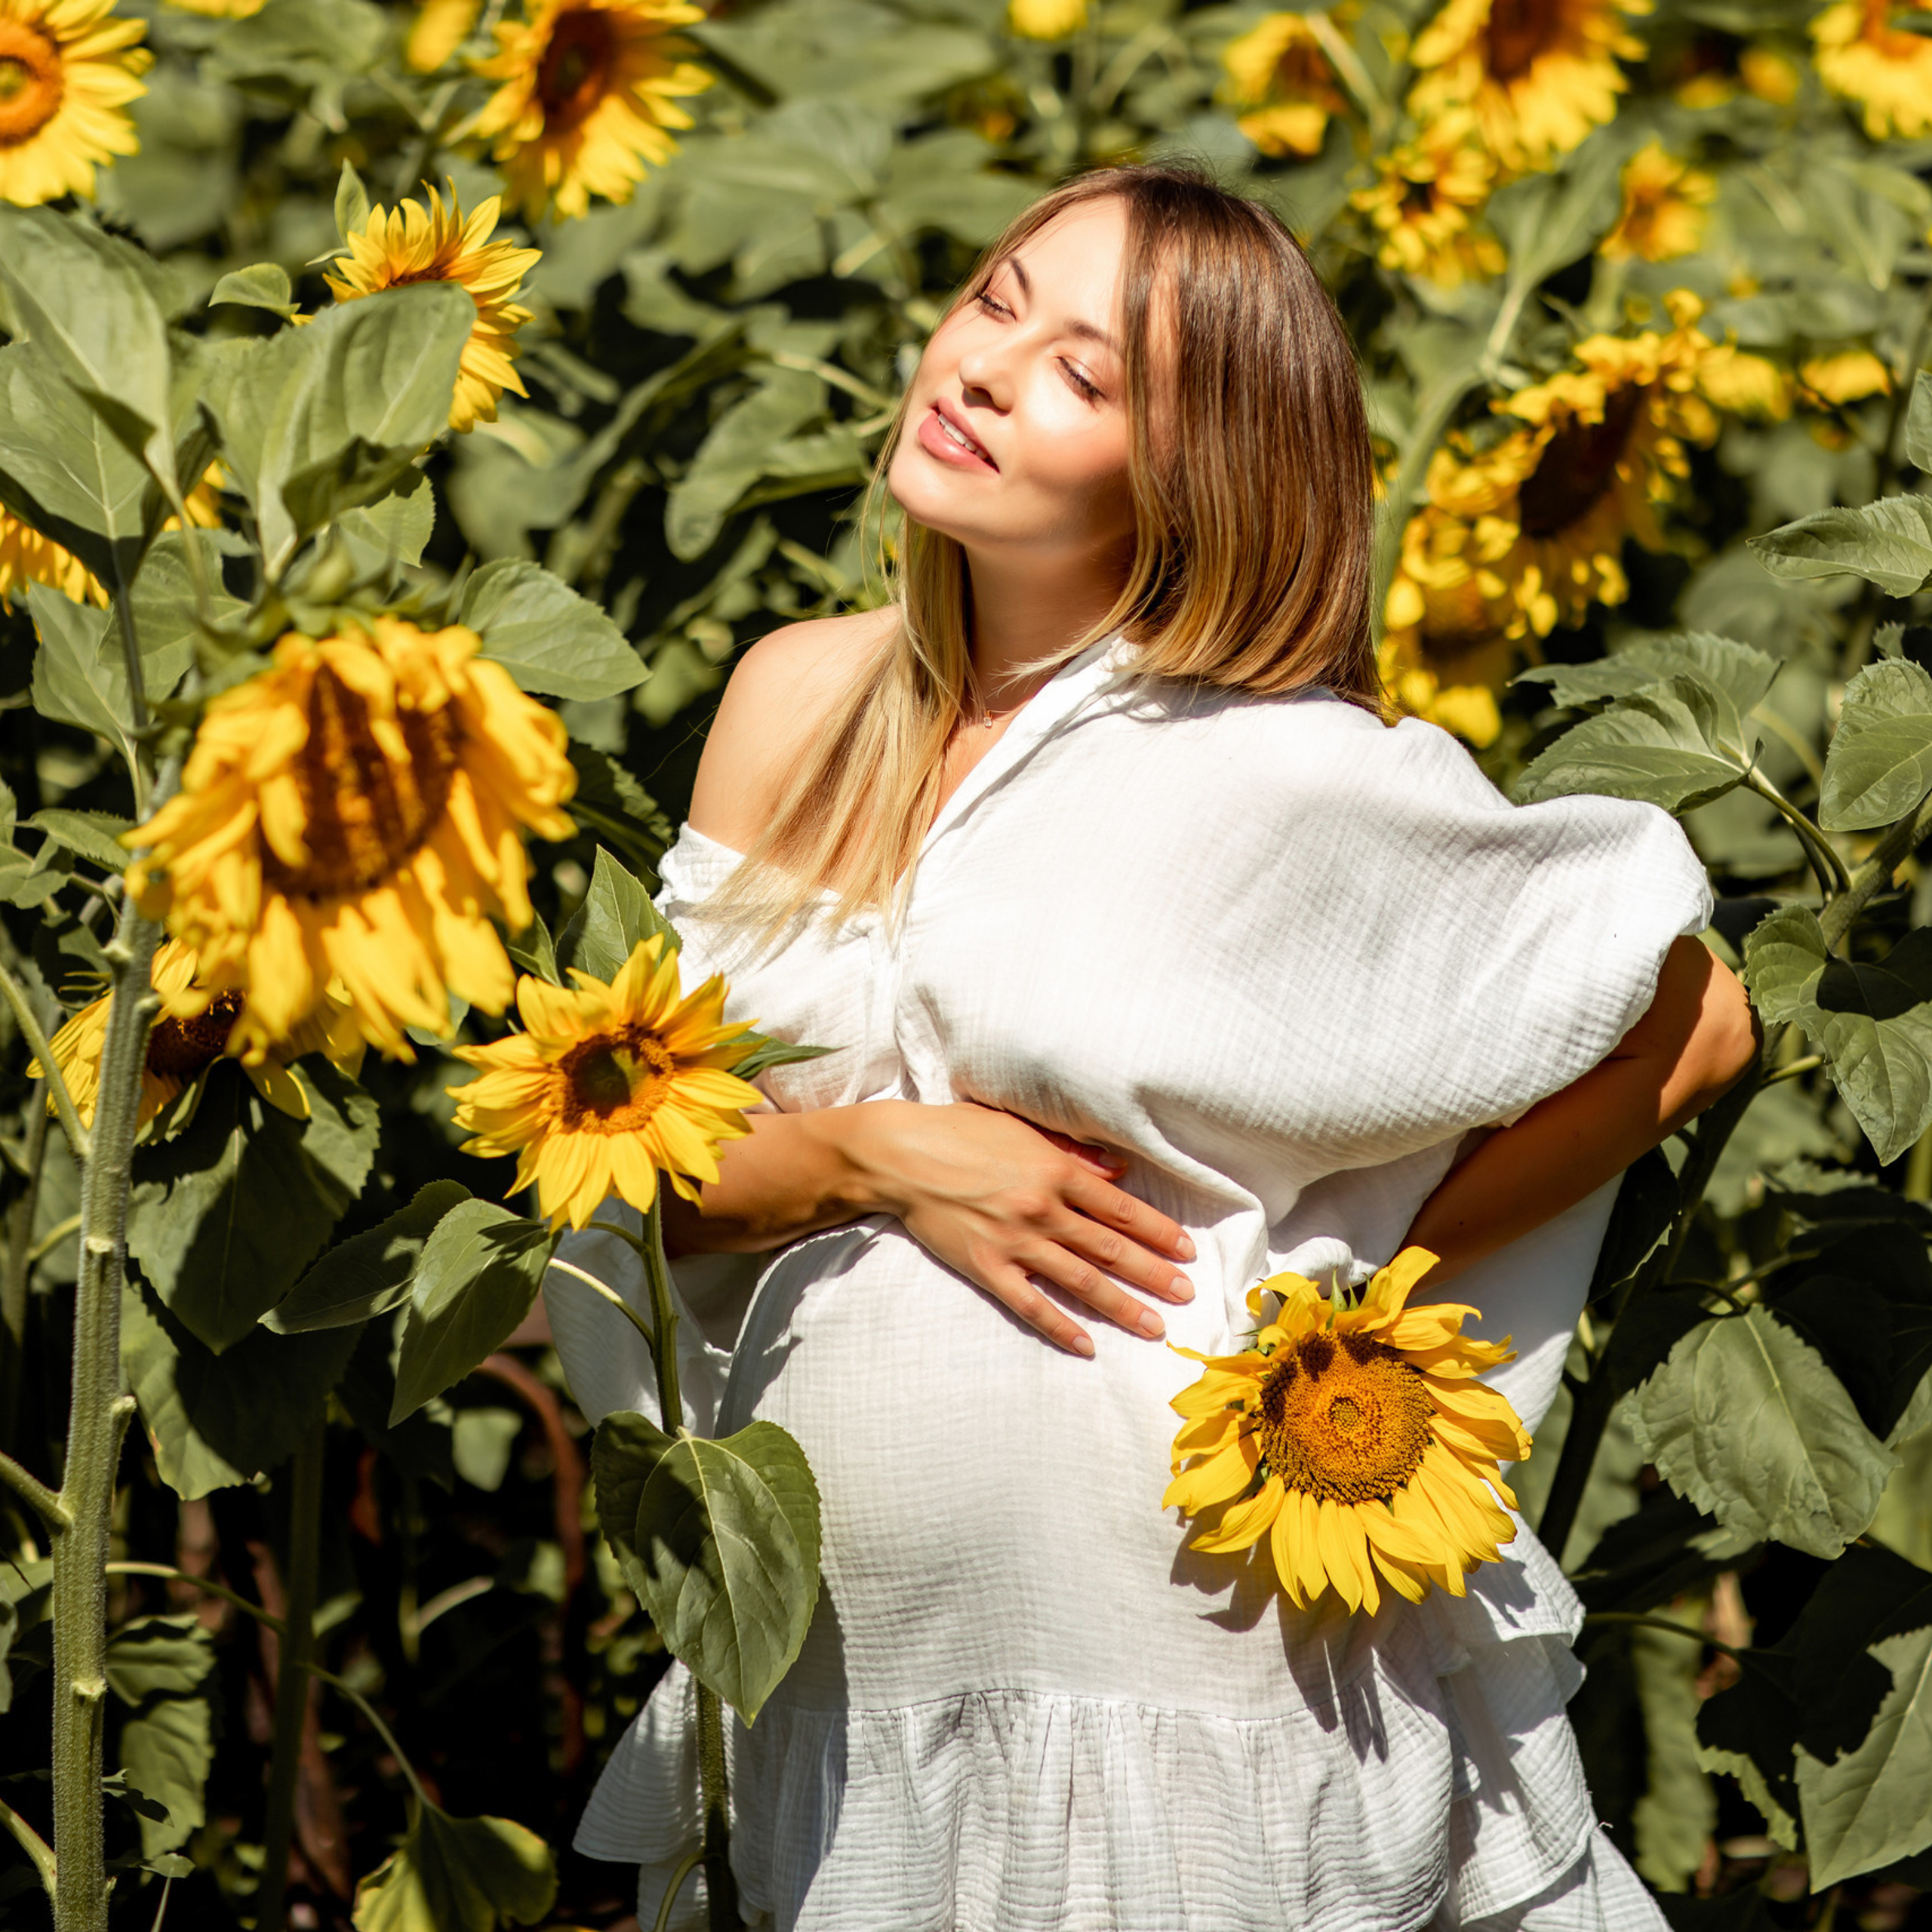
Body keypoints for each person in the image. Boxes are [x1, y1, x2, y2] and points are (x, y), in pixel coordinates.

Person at [546, 162, 1757, 1932]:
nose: (980, 364)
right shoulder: (798, 699)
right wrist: (882, 1156)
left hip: (1188, 1682)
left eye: (1083, 375)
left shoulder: (1271, 769)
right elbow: (650, 1188)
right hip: (845, 1687)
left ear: (1193, 473)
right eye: (993, 298)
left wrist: (1351, 1295)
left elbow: (1690, 1007)